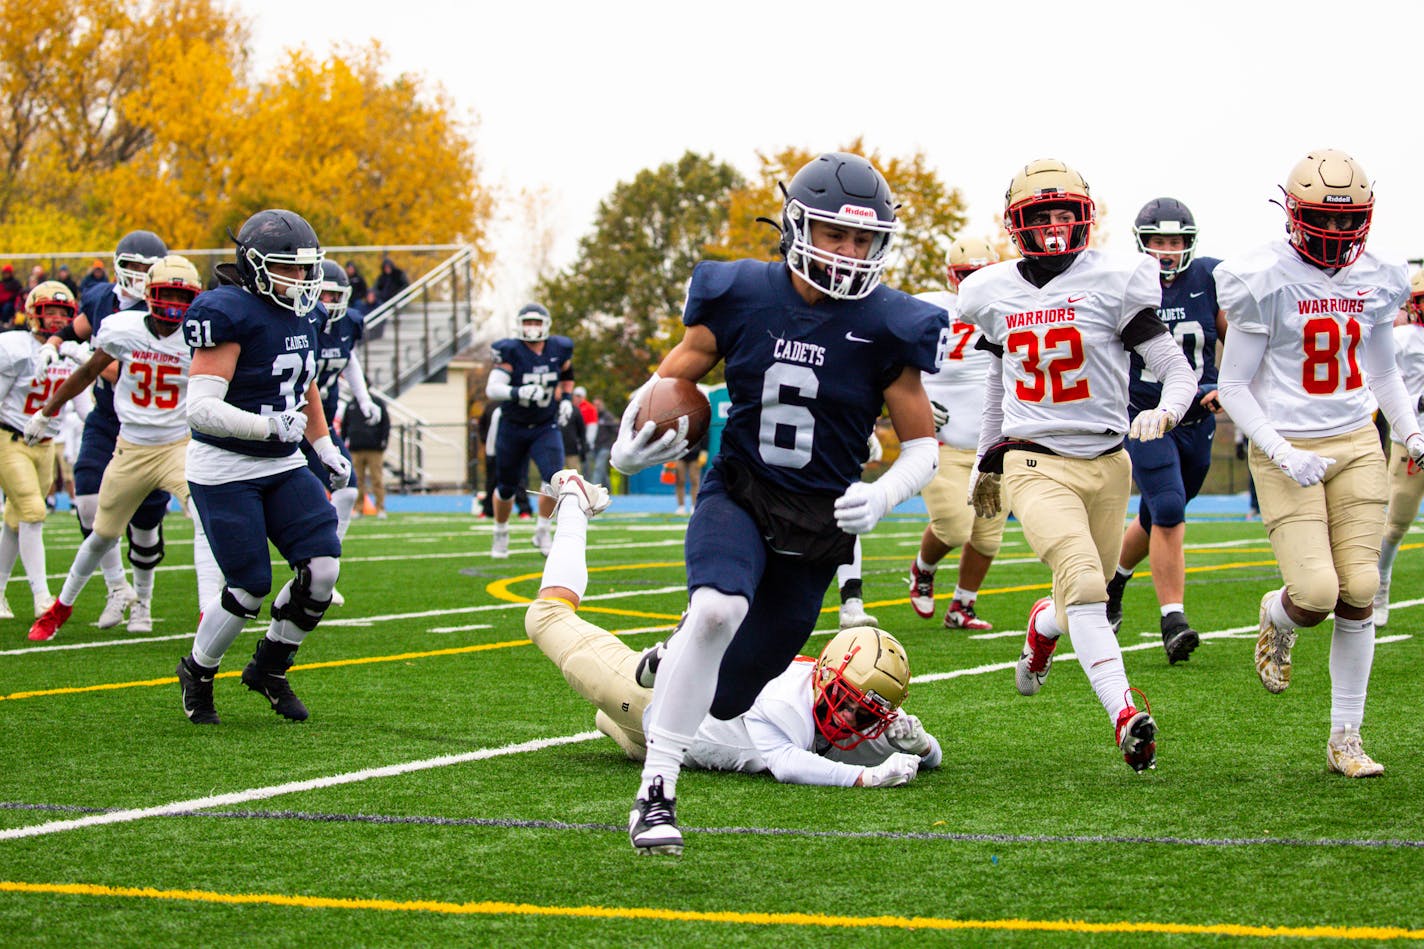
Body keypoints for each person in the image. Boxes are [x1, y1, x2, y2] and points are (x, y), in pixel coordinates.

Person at [611, 151, 947, 855]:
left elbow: (923, 447)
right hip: (740, 490)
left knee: (728, 696)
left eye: (862, 239)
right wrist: (627, 447)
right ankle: (656, 792)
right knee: (717, 608)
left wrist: (882, 494)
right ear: (797, 226)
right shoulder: (741, 293)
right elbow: (669, 381)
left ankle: (675, 655)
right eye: (834, 234)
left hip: (817, 529)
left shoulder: (889, 322)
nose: (850, 252)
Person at [960, 158, 1196, 774]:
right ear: (1019, 225)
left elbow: (1176, 369)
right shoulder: (993, 290)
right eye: (1043, 215)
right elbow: (996, 382)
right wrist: (988, 456)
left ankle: (1044, 628)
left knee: (1073, 600)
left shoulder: (1116, 278)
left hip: (1109, 462)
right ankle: (1126, 715)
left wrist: (1166, 414)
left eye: (1066, 212)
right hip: (1034, 462)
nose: (1057, 225)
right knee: (1089, 585)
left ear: (1085, 218)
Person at [526, 469, 939, 807]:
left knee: (606, 722)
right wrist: (865, 777)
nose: (850, 720)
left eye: (865, 715)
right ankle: (575, 504)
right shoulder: (786, 700)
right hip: (649, 703)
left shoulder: (855, 720)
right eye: (848, 704)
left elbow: (930, 756)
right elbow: (790, 765)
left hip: (669, 747)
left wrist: (921, 746)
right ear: (827, 675)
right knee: (545, 617)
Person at [1216, 149, 1421, 778]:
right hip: (1285, 448)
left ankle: (1345, 738)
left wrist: (1412, 432)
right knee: (1315, 593)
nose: (1335, 234)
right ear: (1294, 215)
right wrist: (1280, 451)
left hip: (1357, 439)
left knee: (1361, 589)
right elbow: (1233, 386)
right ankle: (1277, 616)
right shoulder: (1265, 278)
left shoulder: (1379, 276)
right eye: (1323, 221)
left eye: (1346, 221)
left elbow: (1383, 369)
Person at [173, 208, 351, 726]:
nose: (301, 279)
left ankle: (270, 666)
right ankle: (199, 670)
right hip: (224, 467)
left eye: (305, 268)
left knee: (322, 569)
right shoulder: (228, 311)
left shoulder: (304, 314)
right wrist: (267, 428)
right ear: (253, 266)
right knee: (249, 585)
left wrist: (322, 444)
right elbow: (201, 408)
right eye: (287, 268)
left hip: (282, 462)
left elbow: (305, 384)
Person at [27, 256, 205, 640]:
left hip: (178, 446)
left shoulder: (200, 337)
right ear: (148, 295)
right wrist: (46, 411)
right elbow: (89, 372)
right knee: (102, 533)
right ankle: (60, 607)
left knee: (208, 520)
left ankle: (209, 611)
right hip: (131, 446)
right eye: (166, 294)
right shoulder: (122, 329)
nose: (174, 304)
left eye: (182, 296)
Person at [1103, 198, 1228, 663]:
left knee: (1157, 513)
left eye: (1175, 241)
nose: (1166, 250)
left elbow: (1242, 339)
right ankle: (1173, 619)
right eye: (1157, 241)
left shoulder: (1211, 279)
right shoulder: (1123, 284)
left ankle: (1114, 582)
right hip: (1146, 416)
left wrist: (1226, 385)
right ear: (1141, 244)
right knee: (1170, 506)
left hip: (1197, 419)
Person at [906, 237, 1011, 631]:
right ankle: (923, 568)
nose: (974, 282)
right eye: (967, 275)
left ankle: (962, 607)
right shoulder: (927, 307)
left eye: (981, 273)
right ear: (952, 277)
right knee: (953, 525)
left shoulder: (1010, 306)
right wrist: (913, 403)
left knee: (987, 538)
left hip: (996, 445)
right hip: (945, 442)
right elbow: (890, 359)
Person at [0, 282, 80, 619]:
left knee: (15, 519)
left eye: (63, 313)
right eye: (51, 311)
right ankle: (42, 597)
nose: (57, 318)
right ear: (34, 311)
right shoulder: (15, 347)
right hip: (10, 439)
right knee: (33, 511)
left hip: (46, 446)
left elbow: (83, 402)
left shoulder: (72, 350)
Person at [483, 303, 575, 558]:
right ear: (519, 325)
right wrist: (516, 391)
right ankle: (501, 531)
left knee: (554, 480)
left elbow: (567, 373)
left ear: (545, 324)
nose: (532, 328)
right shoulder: (510, 351)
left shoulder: (559, 348)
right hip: (513, 426)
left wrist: (566, 399)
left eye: (536, 322)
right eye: (528, 322)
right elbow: (492, 388)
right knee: (506, 487)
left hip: (545, 425)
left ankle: (543, 530)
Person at [302, 261, 382, 549]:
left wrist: (364, 399)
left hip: (320, 424)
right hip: (289, 421)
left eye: (334, 296)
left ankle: (327, 554)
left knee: (347, 490)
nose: (328, 302)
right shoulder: (300, 320)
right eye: (323, 294)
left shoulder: (350, 323)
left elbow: (348, 359)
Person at [1374, 270, 1424, 627]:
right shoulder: (1403, 339)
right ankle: (1380, 587)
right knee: (1395, 524)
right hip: (1412, 444)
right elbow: (1377, 378)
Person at [345, 385, 391, 520]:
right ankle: (358, 508)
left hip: (374, 448)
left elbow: (385, 423)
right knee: (357, 480)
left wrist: (383, 441)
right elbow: (345, 425)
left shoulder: (377, 402)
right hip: (355, 448)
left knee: (377, 479)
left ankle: (380, 508)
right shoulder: (351, 404)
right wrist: (343, 441)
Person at [672, 432, 706, 515]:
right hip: (680, 455)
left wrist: (704, 453)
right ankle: (681, 507)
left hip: (695, 455)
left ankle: (694, 506)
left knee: (695, 481)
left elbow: (705, 435)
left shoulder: (699, 421)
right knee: (680, 481)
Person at [588, 397, 617, 487]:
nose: (596, 407)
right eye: (594, 405)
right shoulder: (591, 416)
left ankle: (594, 489)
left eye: (598, 405)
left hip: (605, 446)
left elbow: (616, 430)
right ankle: (608, 489)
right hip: (594, 447)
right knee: (602, 470)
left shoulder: (607, 416)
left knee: (598, 467)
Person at [574, 386, 598, 479]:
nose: (576, 398)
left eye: (578, 396)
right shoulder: (572, 407)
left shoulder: (589, 408)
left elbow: (592, 426)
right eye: (575, 396)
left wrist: (587, 442)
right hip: (574, 443)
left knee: (586, 468)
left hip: (584, 443)